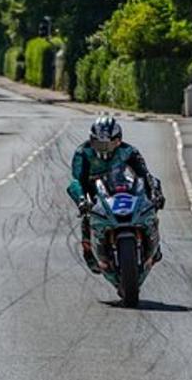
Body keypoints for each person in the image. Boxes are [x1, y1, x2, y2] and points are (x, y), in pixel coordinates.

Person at [68, 116, 163, 272]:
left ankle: (155, 243)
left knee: (150, 204)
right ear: (92, 141)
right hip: (93, 191)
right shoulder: (83, 153)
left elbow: (145, 174)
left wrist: (155, 193)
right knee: (86, 218)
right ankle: (89, 254)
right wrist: (81, 200)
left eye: (108, 144)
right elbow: (77, 180)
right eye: (99, 144)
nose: (103, 149)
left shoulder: (129, 151)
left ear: (118, 141)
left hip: (118, 185)